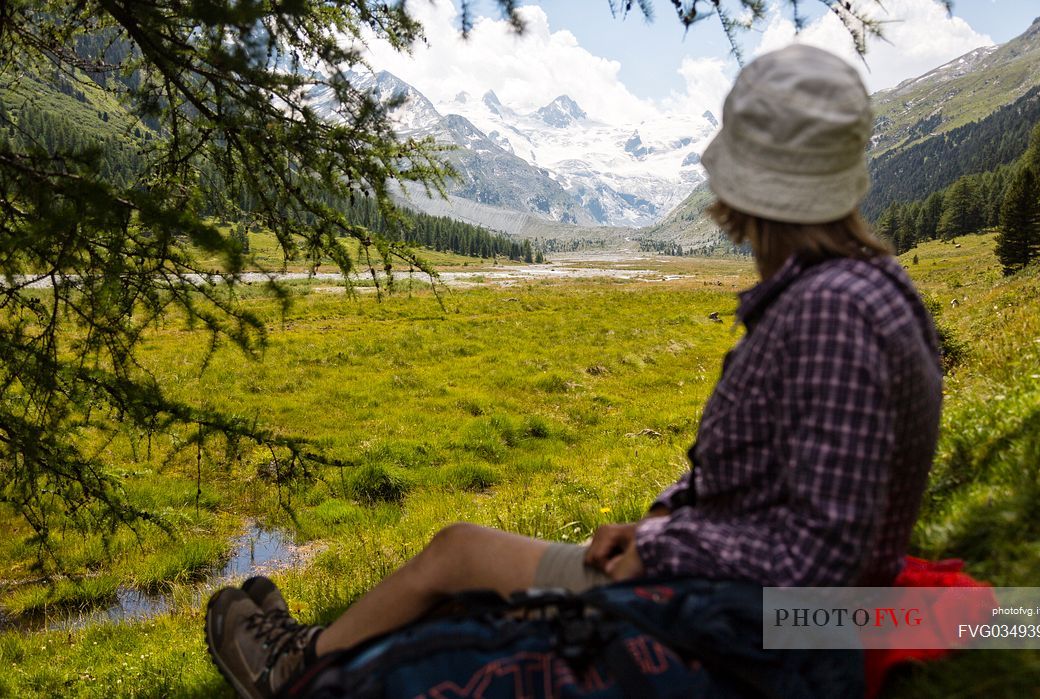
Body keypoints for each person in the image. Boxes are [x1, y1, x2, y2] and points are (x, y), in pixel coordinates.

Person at [205, 44, 943, 699]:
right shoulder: (860, 286)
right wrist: (665, 513)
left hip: (753, 622)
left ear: (745, 189)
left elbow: (823, 559)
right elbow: (771, 485)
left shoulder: (829, 310)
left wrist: (661, 546)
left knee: (459, 551)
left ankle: (290, 669)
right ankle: (317, 649)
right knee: (466, 565)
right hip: (746, 593)